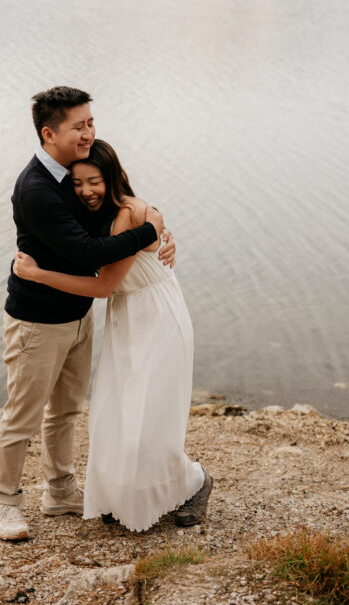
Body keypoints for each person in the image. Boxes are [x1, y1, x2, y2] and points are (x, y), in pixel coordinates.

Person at [0, 86, 175, 541]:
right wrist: (149, 230)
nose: (90, 132)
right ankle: (5, 504)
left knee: (67, 410)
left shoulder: (75, 170)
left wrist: (158, 232)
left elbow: (111, 208)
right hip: (36, 321)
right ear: (49, 133)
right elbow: (89, 251)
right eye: (80, 126)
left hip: (79, 314)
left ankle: (59, 491)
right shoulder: (35, 189)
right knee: (23, 415)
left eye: (91, 122)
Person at [13, 138, 212, 532]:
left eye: (95, 181)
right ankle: (130, 496)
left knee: (149, 415)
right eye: (78, 183)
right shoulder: (100, 216)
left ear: (113, 178)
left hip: (155, 318)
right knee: (122, 413)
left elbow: (104, 286)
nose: (87, 191)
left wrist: (36, 274)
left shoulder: (131, 215)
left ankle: (195, 481)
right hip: (129, 316)